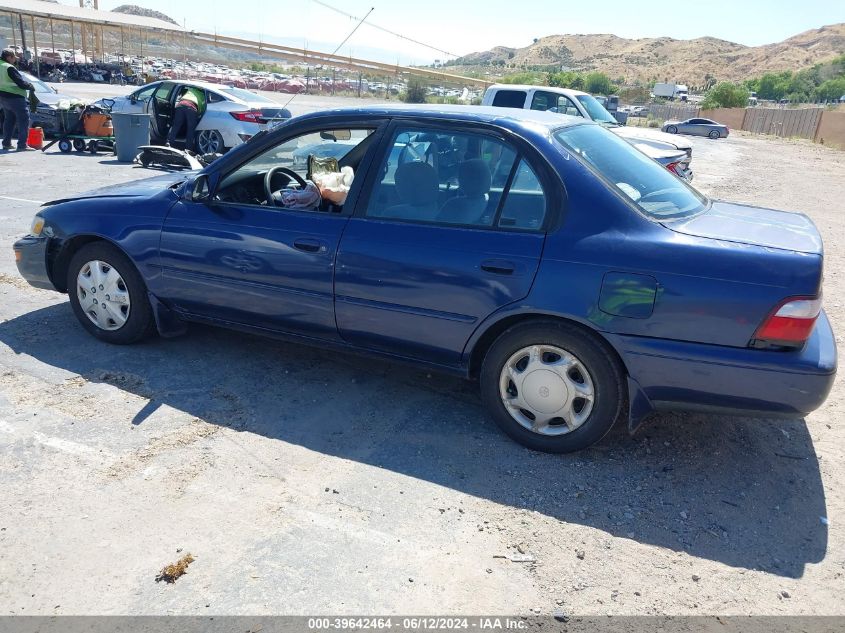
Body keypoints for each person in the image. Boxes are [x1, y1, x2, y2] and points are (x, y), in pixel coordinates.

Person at [0, 48, 35, 151]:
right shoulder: (8, 67)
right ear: (8, 57)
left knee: (9, 120)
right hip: (15, 97)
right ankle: (22, 145)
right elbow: (20, 82)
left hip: (3, 98)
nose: (15, 59)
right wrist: (30, 86)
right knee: (24, 120)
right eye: (13, 57)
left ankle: (6, 143)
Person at [167, 85, 206, 153]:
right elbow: (202, 110)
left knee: (176, 126)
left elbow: (181, 97)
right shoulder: (203, 95)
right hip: (191, 108)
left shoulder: (190, 91)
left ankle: (169, 143)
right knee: (190, 129)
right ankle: (188, 149)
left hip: (180, 105)